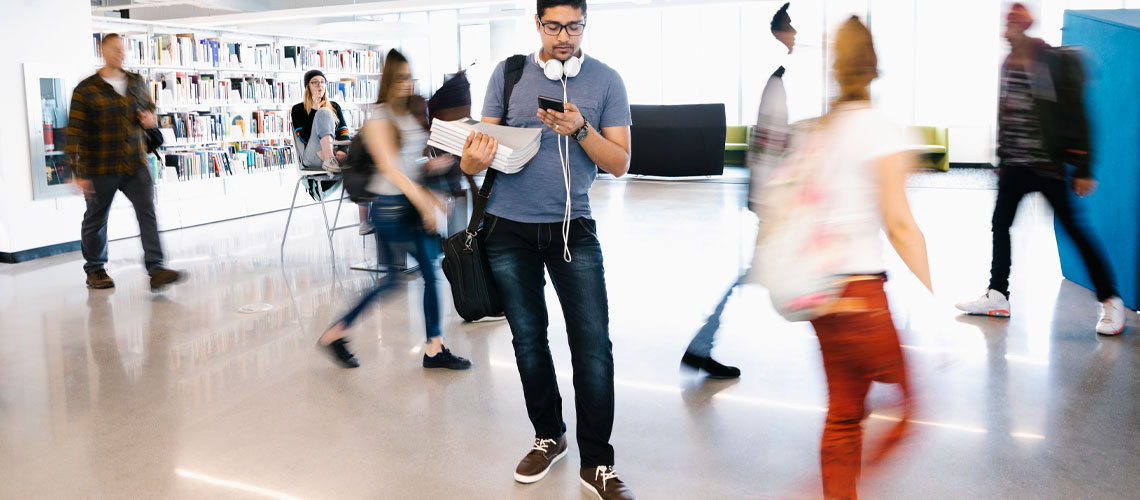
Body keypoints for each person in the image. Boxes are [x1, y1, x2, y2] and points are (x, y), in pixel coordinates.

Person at [459, 0, 635, 498]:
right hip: (506, 230)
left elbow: (620, 162)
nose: (565, 37)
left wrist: (580, 130)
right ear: (537, 24)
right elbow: (479, 154)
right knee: (529, 342)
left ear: (585, 25)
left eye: (574, 26)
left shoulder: (606, 81)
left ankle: (597, 463)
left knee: (593, 347)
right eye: (554, 26)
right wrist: (472, 161)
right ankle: (548, 436)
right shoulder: (509, 73)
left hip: (571, 228)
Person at [789, 17, 931, 500]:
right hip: (863, 298)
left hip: (822, 297)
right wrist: (935, 299)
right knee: (912, 408)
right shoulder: (882, 131)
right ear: (874, 69)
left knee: (845, 413)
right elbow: (900, 226)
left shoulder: (818, 131)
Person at [954, 3, 1126, 336]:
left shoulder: (1047, 63)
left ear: (1024, 27)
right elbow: (1006, 113)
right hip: (1016, 166)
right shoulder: (1008, 64)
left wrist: (1083, 167)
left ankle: (1111, 300)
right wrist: (1002, 159)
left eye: (1012, 26)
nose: (1007, 32)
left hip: (1046, 165)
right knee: (1000, 224)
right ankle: (997, 295)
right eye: (1006, 25)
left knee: (1075, 231)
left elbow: (1076, 114)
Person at [316, 50, 471, 371]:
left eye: (409, 77)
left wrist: (429, 165)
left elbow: (405, 165)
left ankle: (335, 333)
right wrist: (427, 203)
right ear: (388, 81)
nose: (406, 83)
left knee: (393, 281)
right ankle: (434, 348)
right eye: (399, 78)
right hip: (393, 210)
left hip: (400, 207)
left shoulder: (402, 115)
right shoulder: (381, 119)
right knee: (428, 273)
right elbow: (392, 171)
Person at [680, 1, 797, 380]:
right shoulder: (781, 81)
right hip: (781, 199)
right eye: (791, 31)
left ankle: (701, 347)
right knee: (791, 277)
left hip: (780, 198)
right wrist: (768, 200)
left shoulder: (785, 78)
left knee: (762, 273)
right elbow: (769, 144)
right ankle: (700, 347)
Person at [67, 33, 184, 292]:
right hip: (100, 167)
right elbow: (74, 131)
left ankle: (156, 268)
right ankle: (95, 269)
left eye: (123, 50)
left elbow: (150, 111)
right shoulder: (86, 89)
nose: (120, 54)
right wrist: (77, 172)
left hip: (135, 164)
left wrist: (150, 120)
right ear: (102, 50)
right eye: (115, 49)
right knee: (96, 219)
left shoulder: (136, 81)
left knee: (148, 214)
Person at [290, 70, 363, 229]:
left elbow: (344, 132)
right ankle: (329, 158)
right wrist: (315, 110)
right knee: (324, 112)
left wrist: (342, 150)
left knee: (363, 146)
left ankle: (365, 219)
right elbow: (303, 138)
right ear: (307, 87)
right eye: (314, 82)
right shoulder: (297, 109)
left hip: (334, 154)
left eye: (322, 82)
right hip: (312, 156)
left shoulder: (335, 106)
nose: (319, 85)